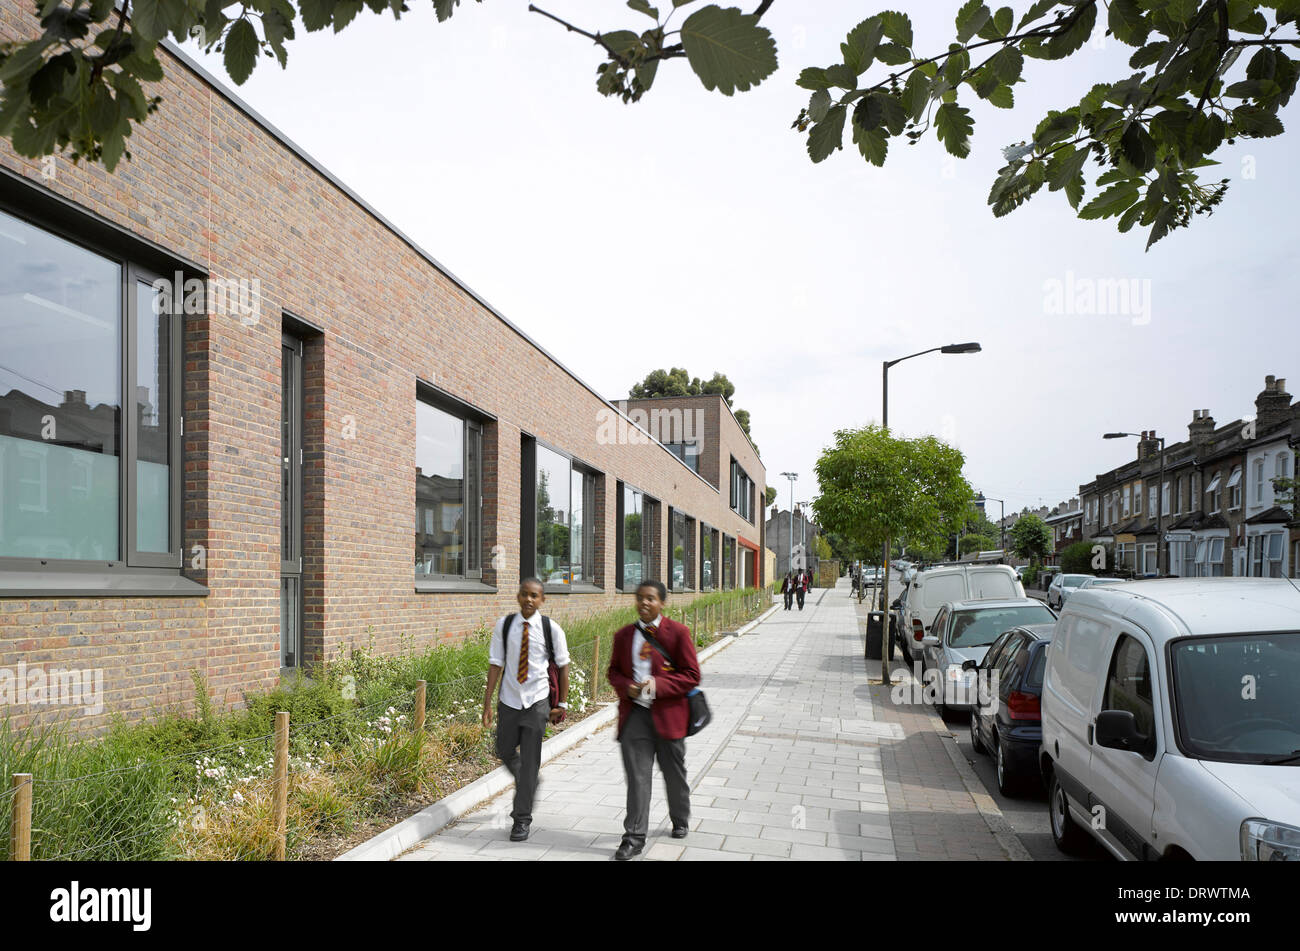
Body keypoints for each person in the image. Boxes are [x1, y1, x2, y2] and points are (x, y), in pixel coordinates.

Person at [606, 580, 701, 861]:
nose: (644, 603)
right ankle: (633, 838)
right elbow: (613, 672)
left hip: (670, 717)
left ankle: (680, 817)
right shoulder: (623, 635)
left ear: (662, 603)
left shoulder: (678, 633)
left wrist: (656, 685)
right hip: (635, 716)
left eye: (650, 599)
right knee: (638, 779)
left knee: (674, 774)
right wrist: (627, 687)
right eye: (640, 598)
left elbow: (691, 675)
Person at [482, 577, 569, 842]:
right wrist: (487, 702)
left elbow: (563, 666)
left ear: (542, 599)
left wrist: (561, 704)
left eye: (534, 595)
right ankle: (528, 780)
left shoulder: (551, 628)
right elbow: (496, 663)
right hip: (509, 700)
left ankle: (521, 820)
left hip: (537, 702)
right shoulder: (505, 625)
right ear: (518, 597)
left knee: (530, 761)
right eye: (524, 594)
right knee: (503, 750)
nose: (529, 599)